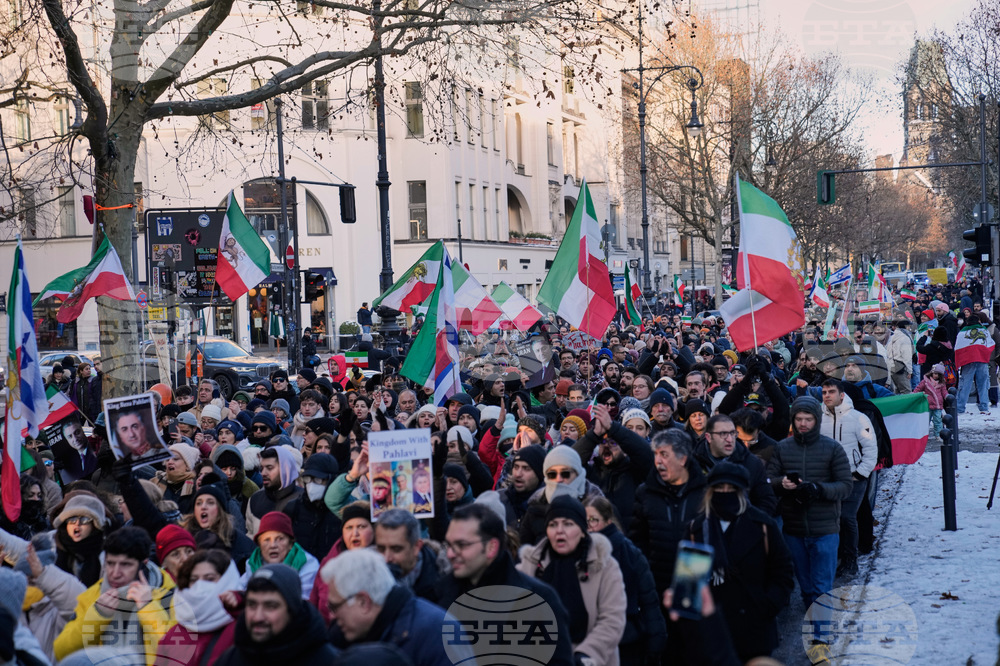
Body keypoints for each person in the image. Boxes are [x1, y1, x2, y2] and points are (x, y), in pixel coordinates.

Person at [766, 396, 852, 660]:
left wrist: (819, 489)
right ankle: (815, 624)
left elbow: (846, 486)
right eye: (799, 419)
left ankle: (820, 638)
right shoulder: (782, 448)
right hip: (793, 528)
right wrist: (782, 484)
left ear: (816, 420)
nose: (803, 424)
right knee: (805, 585)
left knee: (821, 585)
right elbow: (769, 480)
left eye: (808, 419)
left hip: (825, 528)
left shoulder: (832, 448)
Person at [436, 503, 576, 666]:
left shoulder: (539, 601)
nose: (451, 554)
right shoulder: (439, 594)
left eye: (461, 545)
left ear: (491, 547)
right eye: (449, 545)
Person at [687, 462, 794, 662]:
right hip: (712, 630)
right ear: (711, 491)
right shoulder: (697, 529)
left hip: (755, 630)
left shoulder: (762, 525)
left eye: (731, 488)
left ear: (741, 491)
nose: (725, 492)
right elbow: (690, 585)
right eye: (719, 488)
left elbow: (783, 572)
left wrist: (768, 605)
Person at [517, 495, 627, 666]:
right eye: (553, 525)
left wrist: (585, 655)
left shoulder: (605, 566)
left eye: (568, 524)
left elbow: (613, 619)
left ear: (583, 530)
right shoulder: (528, 566)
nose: (559, 530)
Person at [54, 526, 176, 665]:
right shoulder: (93, 595)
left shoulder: (170, 595)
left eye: (125, 564)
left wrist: (149, 609)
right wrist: (97, 616)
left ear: (143, 564)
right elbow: (61, 652)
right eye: (110, 563)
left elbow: (176, 654)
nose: (115, 573)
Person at [322, 549, 452, 665]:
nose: (332, 616)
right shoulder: (343, 635)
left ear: (363, 602)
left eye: (334, 606)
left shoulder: (437, 634)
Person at [584, 497, 665, 666]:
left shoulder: (629, 553)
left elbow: (649, 599)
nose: (588, 526)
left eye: (593, 520)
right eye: (584, 521)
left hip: (625, 639)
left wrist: (656, 640)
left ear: (607, 521)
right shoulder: (577, 551)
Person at [629, 429, 706, 598]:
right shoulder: (645, 493)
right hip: (654, 586)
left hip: (694, 587)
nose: (658, 461)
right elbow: (637, 539)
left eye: (664, 454)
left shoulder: (705, 493)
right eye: (656, 454)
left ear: (682, 459)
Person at [215, 564, 338, 666]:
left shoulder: (328, 661)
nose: (258, 617)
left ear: (292, 609)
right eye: (252, 605)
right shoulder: (231, 659)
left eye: (270, 606)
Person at [819, 379, 878, 576]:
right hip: (828, 478)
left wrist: (861, 473)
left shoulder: (858, 418)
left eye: (831, 392)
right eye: (824, 392)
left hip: (854, 476)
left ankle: (850, 560)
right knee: (832, 518)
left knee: (847, 517)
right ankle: (836, 556)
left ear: (841, 395)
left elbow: (871, 448)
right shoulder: (818, 418)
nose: (827, 395)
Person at [154, 549, 242, 666]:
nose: (200, 586)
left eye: (210, 579)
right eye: (194, 580)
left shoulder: (243, 630)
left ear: (227, 580)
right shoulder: (174, 635)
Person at [240, 511, 320, 599]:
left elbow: (303, 602)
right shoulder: (252, 564)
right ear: (259, 545)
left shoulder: (308, 565)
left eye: (280, 539)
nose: (273, 545)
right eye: (266, 540)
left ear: (290, 544)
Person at [373, 509, 445, 603]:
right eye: (381, 549)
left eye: (396, 549)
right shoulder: (364, 579)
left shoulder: (444, 580)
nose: (387, 558)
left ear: (416, 547)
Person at [282, 453, 343, 560]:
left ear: (331, 480)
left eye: (318, 480)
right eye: (308, 479)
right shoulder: (293, 508)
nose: (311, 484)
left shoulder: (342, 511)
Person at [245, 445, 302, 536]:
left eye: (269, 468)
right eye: (261, 468)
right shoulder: (255, 499)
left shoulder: (302, 500)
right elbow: (250, 534)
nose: (263, 473)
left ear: (285, 469)